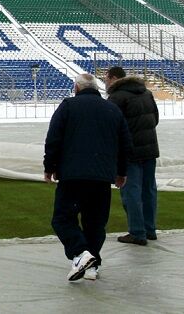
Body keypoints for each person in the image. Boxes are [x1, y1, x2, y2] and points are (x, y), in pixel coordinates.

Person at [44, 74, 131, 282]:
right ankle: (92, 265)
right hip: (101, 176)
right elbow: (125, 144)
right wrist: (121, 172)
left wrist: (50, 167)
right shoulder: (112, 109)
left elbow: (54, 138)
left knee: (62, 218)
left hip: (73, 174)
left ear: (76, 87)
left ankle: (81, 253)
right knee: (95, 222)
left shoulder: (68, 106)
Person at [105, 66, 160, 246]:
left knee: (131, 191)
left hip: (130, 152)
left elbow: (112, 125)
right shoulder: (146, 93)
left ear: (112, 78)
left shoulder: (117, 97)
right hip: (149, 148)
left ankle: (137, 232)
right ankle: (149, 229)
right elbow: (155, 119)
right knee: (148, 189)